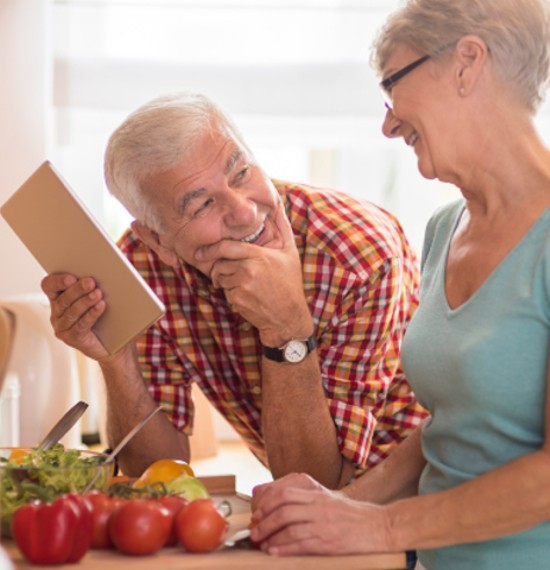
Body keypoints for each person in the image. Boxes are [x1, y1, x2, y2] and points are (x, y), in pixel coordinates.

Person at [249, 0, 550, 568]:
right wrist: (341, 505)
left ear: (467, 62)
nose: (387, 123)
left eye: (393, 85)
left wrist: (381, 527)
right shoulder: (444, 229)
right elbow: (456, 424)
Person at [41, 92, 426, 485]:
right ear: (157, 239)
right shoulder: (143, 264)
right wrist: (116, 358)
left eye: (241, 173)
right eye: (202, 204)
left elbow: (320, 484)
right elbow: (155, 473)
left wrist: (287, 326)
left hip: (420, 490)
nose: (244, 212)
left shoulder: (359, 256)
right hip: (306, 507)